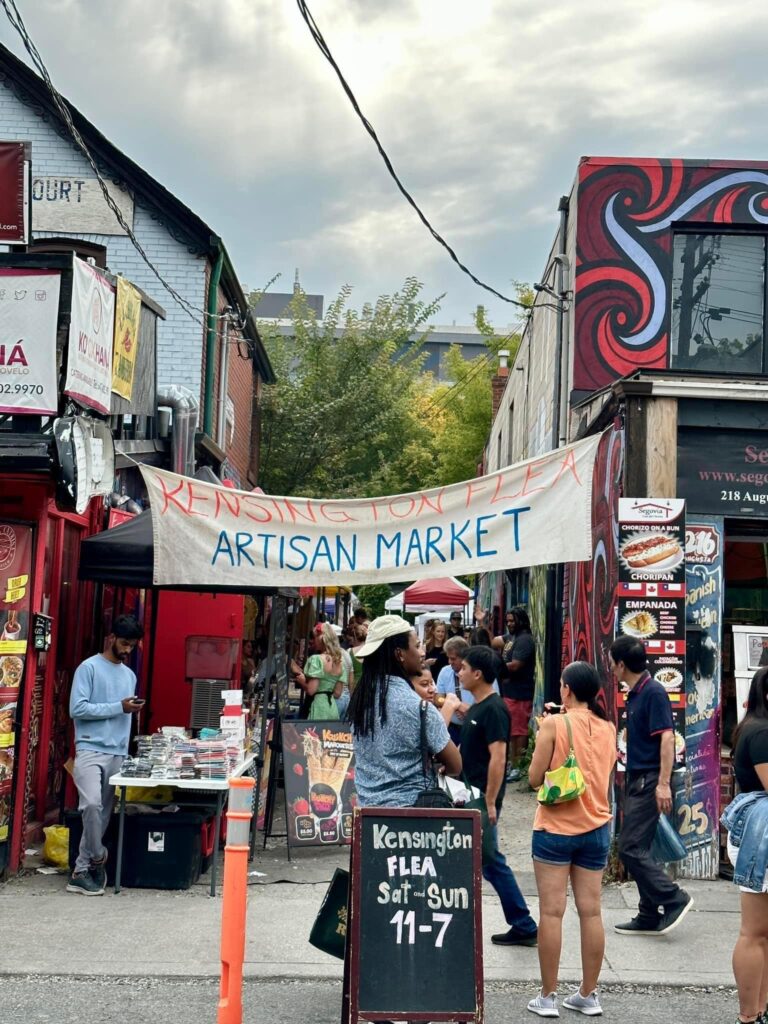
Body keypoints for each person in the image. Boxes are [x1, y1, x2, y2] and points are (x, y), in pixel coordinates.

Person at [526, 662, 617, 1017]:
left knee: (551, 911)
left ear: (565, 689)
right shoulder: (609, 728)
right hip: (596, 827)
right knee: (591, 911)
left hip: (555, 830)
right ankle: (588, 994)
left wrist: (544, 734)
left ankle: (548, 997)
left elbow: (535, 778)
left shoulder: (553, 723)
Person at [610, 635, 693, 935]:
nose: (611, 669)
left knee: (630, 847)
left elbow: (667, 738)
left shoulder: (654, 692)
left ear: (621, 664)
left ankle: (673, 897)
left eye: (612, 663)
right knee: (639, 845)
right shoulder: (636, 693)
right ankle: (647, 914)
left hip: (649, 779)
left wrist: (662, 784)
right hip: (638, 777)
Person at [458, 645, 538, 947]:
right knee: (483, 861)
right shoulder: (478, 707)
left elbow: (499, 757)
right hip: (470, 794)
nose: (459, 672)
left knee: (490, 860)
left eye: (463, 667)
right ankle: (521, 923)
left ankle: (524, 924)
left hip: (480, 798)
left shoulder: (494, 708)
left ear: (478, 674)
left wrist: (490, 801)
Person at [67, 614, 144, 896]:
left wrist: (129, 717)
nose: (127, 650)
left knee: (104, 813)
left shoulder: (129, 675)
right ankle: (98, 856)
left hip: (117, 751)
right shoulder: (88, 668)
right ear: (111, 638)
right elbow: (77, 709)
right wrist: (119, 707)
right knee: (90, 806)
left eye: (133, 646)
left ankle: (81, 869)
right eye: (124, 643)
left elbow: (123, 713)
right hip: (89, 747)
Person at [350, 615, 461, 807]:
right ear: (400, 654)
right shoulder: (418, 707)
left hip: (366, 814)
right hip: (410, 822)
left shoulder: (361, 701)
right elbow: (455, 765)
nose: (422, 652)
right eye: (417, 646)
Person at [725, 667, 768, 1024]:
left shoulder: (750, 727)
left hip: (755, 833)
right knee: (754, 932)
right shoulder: (763, 732)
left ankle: (759, 1010)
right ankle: (748, 1015)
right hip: (760, 837)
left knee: (760, 933)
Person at [437, 637, 501, 745]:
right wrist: (455, 705)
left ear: (463, 658)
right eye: (448, 658)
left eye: (453, 659)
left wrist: (472, 711)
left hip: (475, 727)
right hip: (452, 729)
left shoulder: (479, 673)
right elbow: (437, 698)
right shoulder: (445, 672)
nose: (449, 662)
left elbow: (492, 700)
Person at [502, 607, 536, 782]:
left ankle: (517, 766)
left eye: (512, 621)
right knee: (510, 731)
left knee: (518, 731)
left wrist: (496, 666)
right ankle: (512, 765)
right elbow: (494, 641)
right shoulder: (512, 638)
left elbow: (515, 665)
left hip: (520, 693)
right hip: (510, 692)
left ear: (520, 621)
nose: (509, 624)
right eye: (507, 621)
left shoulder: (524, 640)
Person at [302, 623, 346, 721]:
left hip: (317, 707)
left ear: (321, 638)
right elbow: (338, 693)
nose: (313, 641)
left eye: (314, 637)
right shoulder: (339, 662)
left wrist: (301, 680)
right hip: (331, 708)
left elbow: (311, 690)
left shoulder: (316, 659)